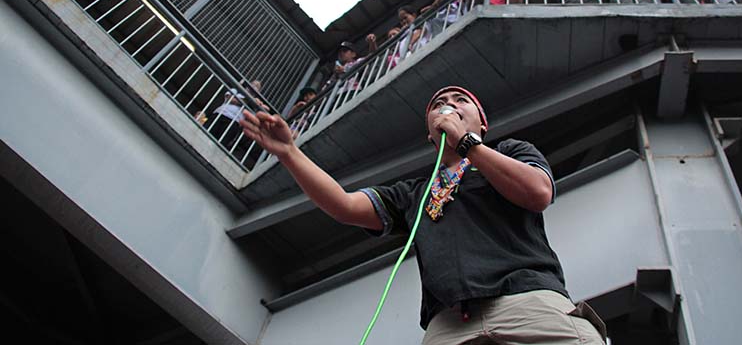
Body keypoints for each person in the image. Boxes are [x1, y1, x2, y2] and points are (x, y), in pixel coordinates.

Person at [239, 86, 606, 344]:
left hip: (527, 299)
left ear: (481, 122)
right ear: (430, 134)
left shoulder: (510, 151)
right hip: (447, 323)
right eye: (438, 104)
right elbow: (344, 206)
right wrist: (289, 153)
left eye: (459, 100)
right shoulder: (411, 193)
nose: (447, 106)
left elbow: (538, 192)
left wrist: (467, 144)